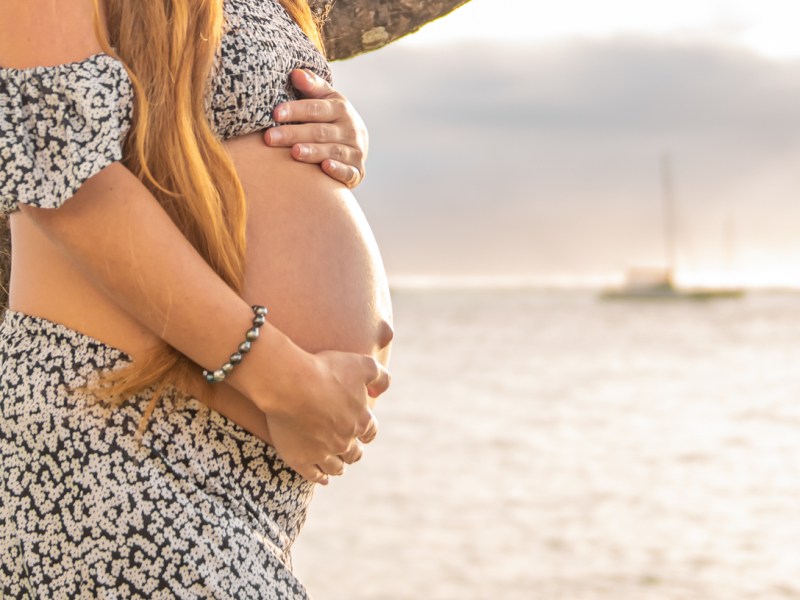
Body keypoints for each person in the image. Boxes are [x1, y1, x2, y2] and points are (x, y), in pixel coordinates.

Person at [0, 0, 394, 596]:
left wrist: (335, 126)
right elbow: (63, 172)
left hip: (244, 480)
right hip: (112, 434)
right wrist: (282, 379)